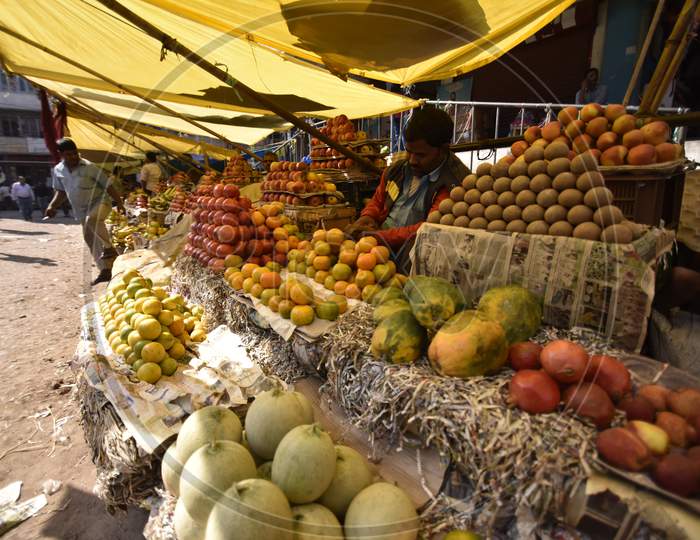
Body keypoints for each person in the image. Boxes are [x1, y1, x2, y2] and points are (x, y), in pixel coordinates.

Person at [345, 106, 468, 270]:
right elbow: (377, 200)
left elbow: (428, 229)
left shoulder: (454, 185)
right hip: (378, 252)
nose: (412, 160)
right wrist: (368, 216)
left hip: (415, 261)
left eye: (421, 155)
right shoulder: (397, 170)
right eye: (409, 152)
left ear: (443, 149)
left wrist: (381, 236)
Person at [45, 138, 125, 285]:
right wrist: (52, 206)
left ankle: (109, 248)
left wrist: (119, 202)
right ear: (61, 154)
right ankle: (105, 271)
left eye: (75, 153)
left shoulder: (90, 167)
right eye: (69, 154)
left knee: (92, 220)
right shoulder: (58, 170)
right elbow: (61, 192)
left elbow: (108, 186)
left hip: (101, 202)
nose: (73, 157)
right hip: (80, 210)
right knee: (91, 241)